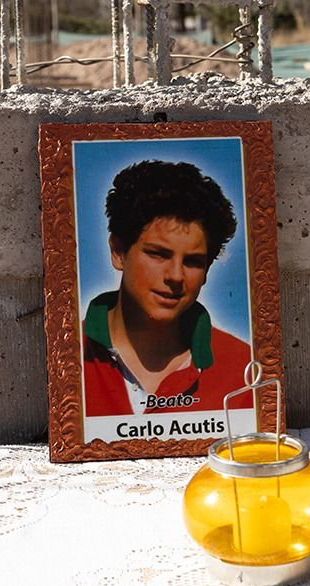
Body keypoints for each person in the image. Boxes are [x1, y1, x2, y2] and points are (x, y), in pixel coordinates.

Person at [82, 160, 253, 417]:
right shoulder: (69, 354)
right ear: (118, 251)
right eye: (158, 255)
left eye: (193, 261)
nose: (175, 276)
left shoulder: (244, 368)